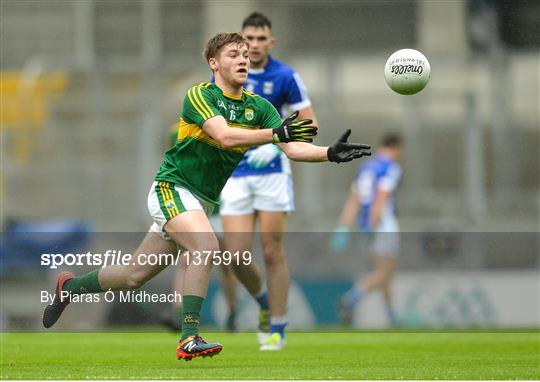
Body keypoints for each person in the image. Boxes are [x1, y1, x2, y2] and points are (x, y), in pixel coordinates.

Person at [42, 32, 371, 361]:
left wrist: (328, 152)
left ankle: (69, 287)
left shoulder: (259, 107)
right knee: (207, 245)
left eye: (245, 54)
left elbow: (292, 147)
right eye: (233, 54)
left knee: (132, 276)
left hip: (198, 202)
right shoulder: (201, 95)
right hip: (172, 189)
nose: (243, 59)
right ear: (213, 63)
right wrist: (274, 133)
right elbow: (225, 136)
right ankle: (189, 337)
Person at [218, 12, 319, 351]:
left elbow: (310, 123)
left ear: (271, 41)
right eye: (248, 39)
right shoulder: (229, 74)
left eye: (261, 39)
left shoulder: (286, 76)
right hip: (234, 173)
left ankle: (277, 327)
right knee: (235, 257)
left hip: (273, 173)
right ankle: (262, 301)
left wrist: (281, 142)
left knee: (272, 251)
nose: (255, 45)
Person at [332, 133, 403, 326]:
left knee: (383, 272)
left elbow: (354, 199)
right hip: (382, 225)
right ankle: (351, 298)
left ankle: (391, 317)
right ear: (396, 148)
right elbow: (381, 197)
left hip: (366, 225)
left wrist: (343, 226)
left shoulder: (365, 168)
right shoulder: (390, 168)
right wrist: (374, 223)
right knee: (384, 273)